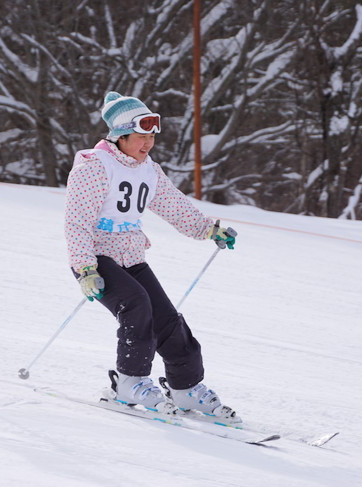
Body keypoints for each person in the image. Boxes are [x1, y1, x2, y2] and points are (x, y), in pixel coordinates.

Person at [64, 91, 238, 419]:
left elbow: (173, 204)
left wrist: (208, 229)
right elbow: (77, 222)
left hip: (130, 255)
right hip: (96, 257)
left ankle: (185, 387)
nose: (147, 144)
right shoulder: (94, 166)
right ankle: (129, 382)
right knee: (136, 303)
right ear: (120, 136)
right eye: (141, 137)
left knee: (167, 319)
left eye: (151, 137)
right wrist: (86, 268)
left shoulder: (148, 170)